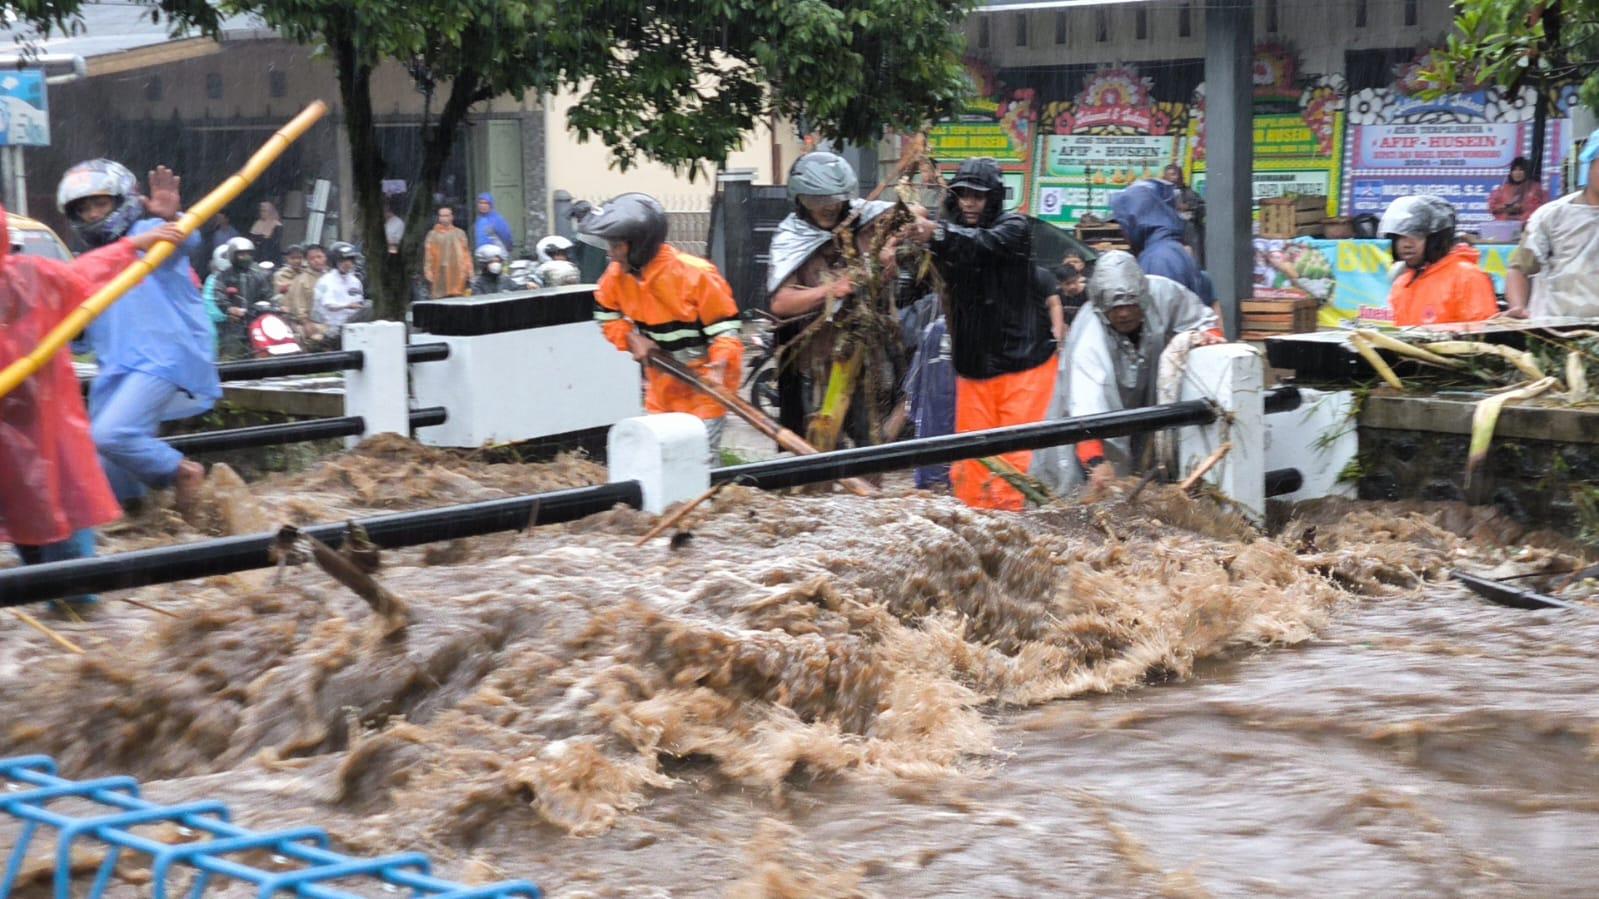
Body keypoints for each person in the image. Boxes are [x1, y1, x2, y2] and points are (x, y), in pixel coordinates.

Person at [1, 204, 184, 604]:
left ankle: (81, 643)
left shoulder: (29, 278)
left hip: (48, 447)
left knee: (70, 583)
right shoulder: (28, 278)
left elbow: (83, 275)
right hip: (16, 461)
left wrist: (135, 244)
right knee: (39, 573)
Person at [56, 159, 218, 510]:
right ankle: (147, 530)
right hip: (113, 369)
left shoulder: (146, 234)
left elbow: (186, 239)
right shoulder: (92, 261)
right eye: (83, 208)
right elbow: (80, 335)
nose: (92, 213)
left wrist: (171, 218)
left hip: (159, 359)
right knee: (107, 473)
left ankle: (183, 472)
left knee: (111, 435)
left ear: (120, 201)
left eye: (100, 203)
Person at [901, 157, 1057, 511]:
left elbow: (981, 245)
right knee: (971, 467)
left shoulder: (1014, 228)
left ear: (995, 198)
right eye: (963, 195)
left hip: (1024, 367)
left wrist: (936, 233)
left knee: (1014, 467)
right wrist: (913, 227)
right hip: (975, 368)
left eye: (979, 196)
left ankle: (1018, 544)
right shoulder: (947, 233)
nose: (970, 203)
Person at [1037, 250, 1220, 493]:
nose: (1124, 313)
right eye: (1115, 307)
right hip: (1098, 432)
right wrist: (1095, 462)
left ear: (1144, 297)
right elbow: (1084, 407)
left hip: (1147, 409)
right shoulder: (1090, 341)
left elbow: (1202, 321)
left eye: (1130, 304)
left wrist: (1212, 346)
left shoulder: (1162, 294)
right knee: (1085, 499)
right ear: (1101, 306)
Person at [577, 192, 743, 455]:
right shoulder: (616, 277)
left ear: (640, 244)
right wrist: (632, 339)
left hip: (705, 385)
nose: (611, 254)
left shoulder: (696, 274)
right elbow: (606, 316)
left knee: (697, 458)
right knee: (659, 458)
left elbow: (726, 333)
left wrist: (720, 365)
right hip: (662, 383)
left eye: (616, 246)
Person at [765, 150, 895, 442]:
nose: (828, 208)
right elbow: (781, 302)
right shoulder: (791, 236)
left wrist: (892, 247)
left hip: (865, 351)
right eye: (818, 201)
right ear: (800, 199)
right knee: (812, 438)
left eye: (834, 200)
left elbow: (913, 218)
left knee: (867, 437)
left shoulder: (864, 217)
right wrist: (832, 290)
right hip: (812, 357)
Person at [1505, 129, 1599, 319]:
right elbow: (1519, 268)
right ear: (1589, 165)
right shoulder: (1551, 216)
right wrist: (1518, 308)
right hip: (1558, 334)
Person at [1379, 195, 1497, 327]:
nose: (1406, 244)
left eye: (1417, 235)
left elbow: (1481, 335)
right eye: (1400, 237)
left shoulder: (1467, 276)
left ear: (1437, 239)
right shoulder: (1402, 282)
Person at [1110, 178, 1212, 304]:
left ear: (1137, 221)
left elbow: (1160, 316)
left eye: (1124, 224)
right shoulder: (1170, 249)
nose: (1122, 232)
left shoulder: (1159, 260)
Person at [213, 236, 274, 358]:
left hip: (256, 320)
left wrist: (272, 306)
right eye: (241, 254)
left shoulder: (258, 275)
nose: (245, 258)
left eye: (248, 254)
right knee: (232, 353)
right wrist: (230, 308)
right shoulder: (224, 276)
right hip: (233, 323)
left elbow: (268, 295)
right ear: (232, 255)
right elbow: (219, 295)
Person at [313, 242, 369, 340]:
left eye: (350, 260)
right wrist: (347, 306)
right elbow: (328, 305)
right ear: (335, 261)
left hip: (354, 326)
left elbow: (359, 303)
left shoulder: (355, 281)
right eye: (343, 260)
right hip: (331, 327)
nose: (347, 263)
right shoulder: (326, 280)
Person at [423, 206, 471, 298]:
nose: (443, 218)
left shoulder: (460, 233)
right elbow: (428, 256)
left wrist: (469, 271)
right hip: (439, 274)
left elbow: (466, 254)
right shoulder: (432, 235)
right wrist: (428, 271)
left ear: (451, 217)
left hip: (457, 275)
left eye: (446, 215)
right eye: (441, 216)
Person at [1163, 164, 1206, 263]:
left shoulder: (1190, 193)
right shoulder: (1161, 194)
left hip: (1189, 230)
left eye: (1178, 174)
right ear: (1165, 177)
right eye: (1173, 174)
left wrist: (1189, 207)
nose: (1176, 177)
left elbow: (1202, 207)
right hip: (1169, 230)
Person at [1488, 157, 1548, 223]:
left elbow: (1542, 208)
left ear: (1527, 171)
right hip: (1506, 228)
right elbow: (1493, 207)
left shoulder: (1536, 188)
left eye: (1521, 170)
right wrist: (1508, 207)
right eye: (1514, 170)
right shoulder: (1503, 189)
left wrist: (1522, 207)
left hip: (1528, 227)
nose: (1517, 173)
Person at [249, 200, 285, 265]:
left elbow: (274, 243)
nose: (262, 213)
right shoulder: (257, 224)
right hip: (257, 258)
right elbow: (252, 241)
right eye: (261, 210)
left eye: (264, 211)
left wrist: (261, 240)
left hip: (272, 258)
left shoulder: (277, 225)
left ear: (271, 211)